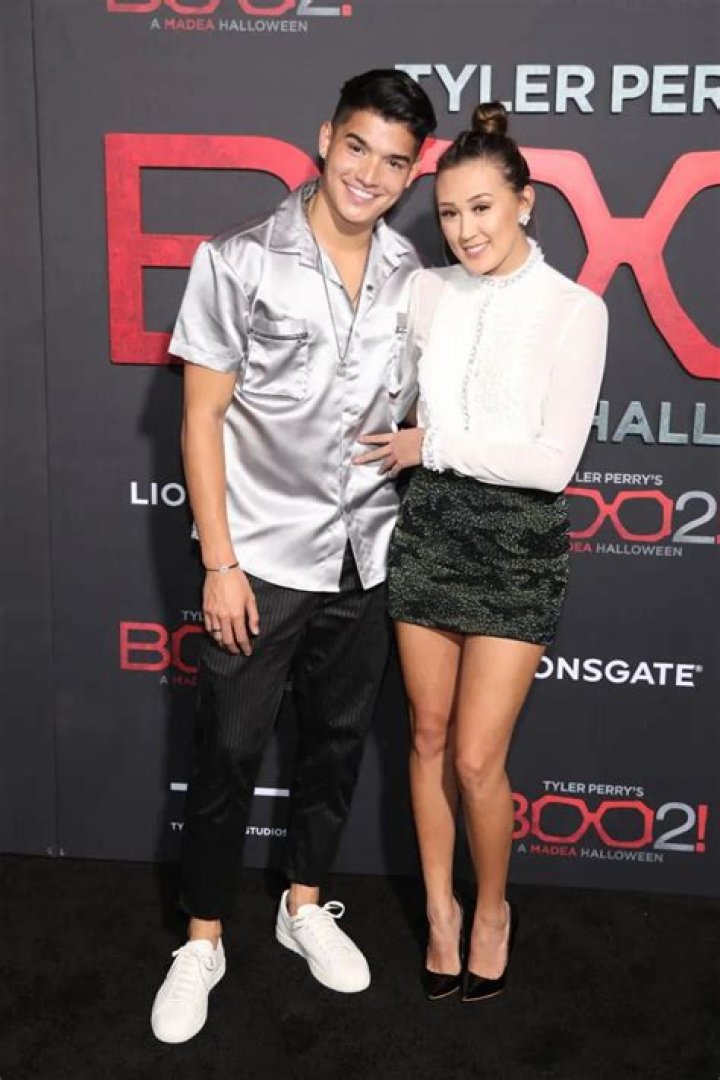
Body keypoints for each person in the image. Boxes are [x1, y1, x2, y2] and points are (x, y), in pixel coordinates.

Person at [150, 70, 436, 1044]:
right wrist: (220, 562)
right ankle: (202, 939)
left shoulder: (410, 272)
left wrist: (428, 438)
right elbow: (200, 418)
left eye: (393, 161)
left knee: (337, 744)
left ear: (411, 173)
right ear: (325, 138)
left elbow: (417, 399)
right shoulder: (238, 260)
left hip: (368, 553)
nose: (370, 174)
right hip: (261, 558)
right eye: (358, 147)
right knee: (227, 753)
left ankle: (303, 904)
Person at [354, 102, 608, 1002]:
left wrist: (434, 444)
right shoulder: (427, 292)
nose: (465, 231)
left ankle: (492, 909)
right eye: (450, 213)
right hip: (429, 532)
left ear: (525, 203)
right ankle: (441, 912)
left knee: (474, 759)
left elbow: (551, 464)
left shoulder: (575, 310)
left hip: (518, 545)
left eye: (483, 209)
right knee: (424, 738)